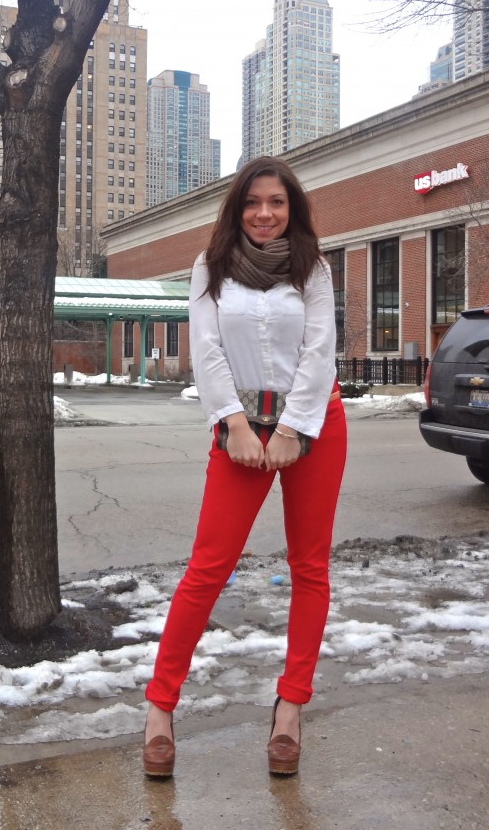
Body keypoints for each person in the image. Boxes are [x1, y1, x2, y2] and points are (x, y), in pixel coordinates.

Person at [142, 156, 347, 779]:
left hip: (313, 425)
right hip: (238, 429)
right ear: (238, 208)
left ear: (293, 209)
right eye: (254, 202)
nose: (265, 213)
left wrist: (291, 429)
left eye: (277, 202)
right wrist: (234, 424)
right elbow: (204, 349)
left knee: (309, 568)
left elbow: (320, 350)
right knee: (207, 569)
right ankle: (159, 709)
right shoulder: (212, 267)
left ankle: (290, 709)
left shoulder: (313, 267)